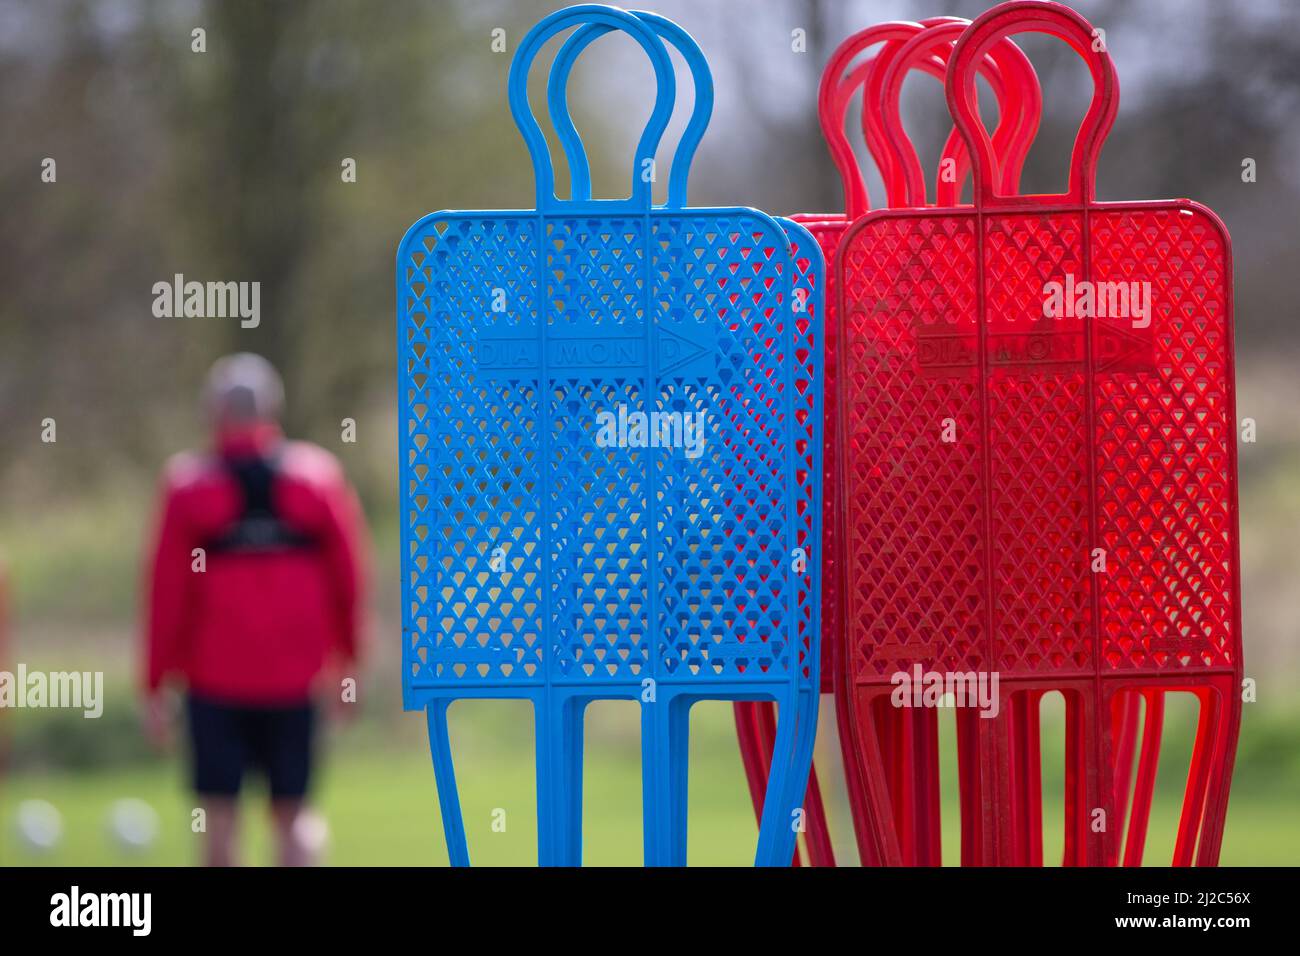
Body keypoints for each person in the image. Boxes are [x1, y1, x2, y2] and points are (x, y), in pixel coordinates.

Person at [141, 353, 367, 866]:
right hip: (295, 682)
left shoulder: (187, 488)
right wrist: (349, 666)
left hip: (213, 684)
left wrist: (154, 684)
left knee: (218, 818)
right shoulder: (318, 479)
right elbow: (350, 581)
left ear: (212, 415)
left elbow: (166, 595)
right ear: (273, 410)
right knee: (297, 816)